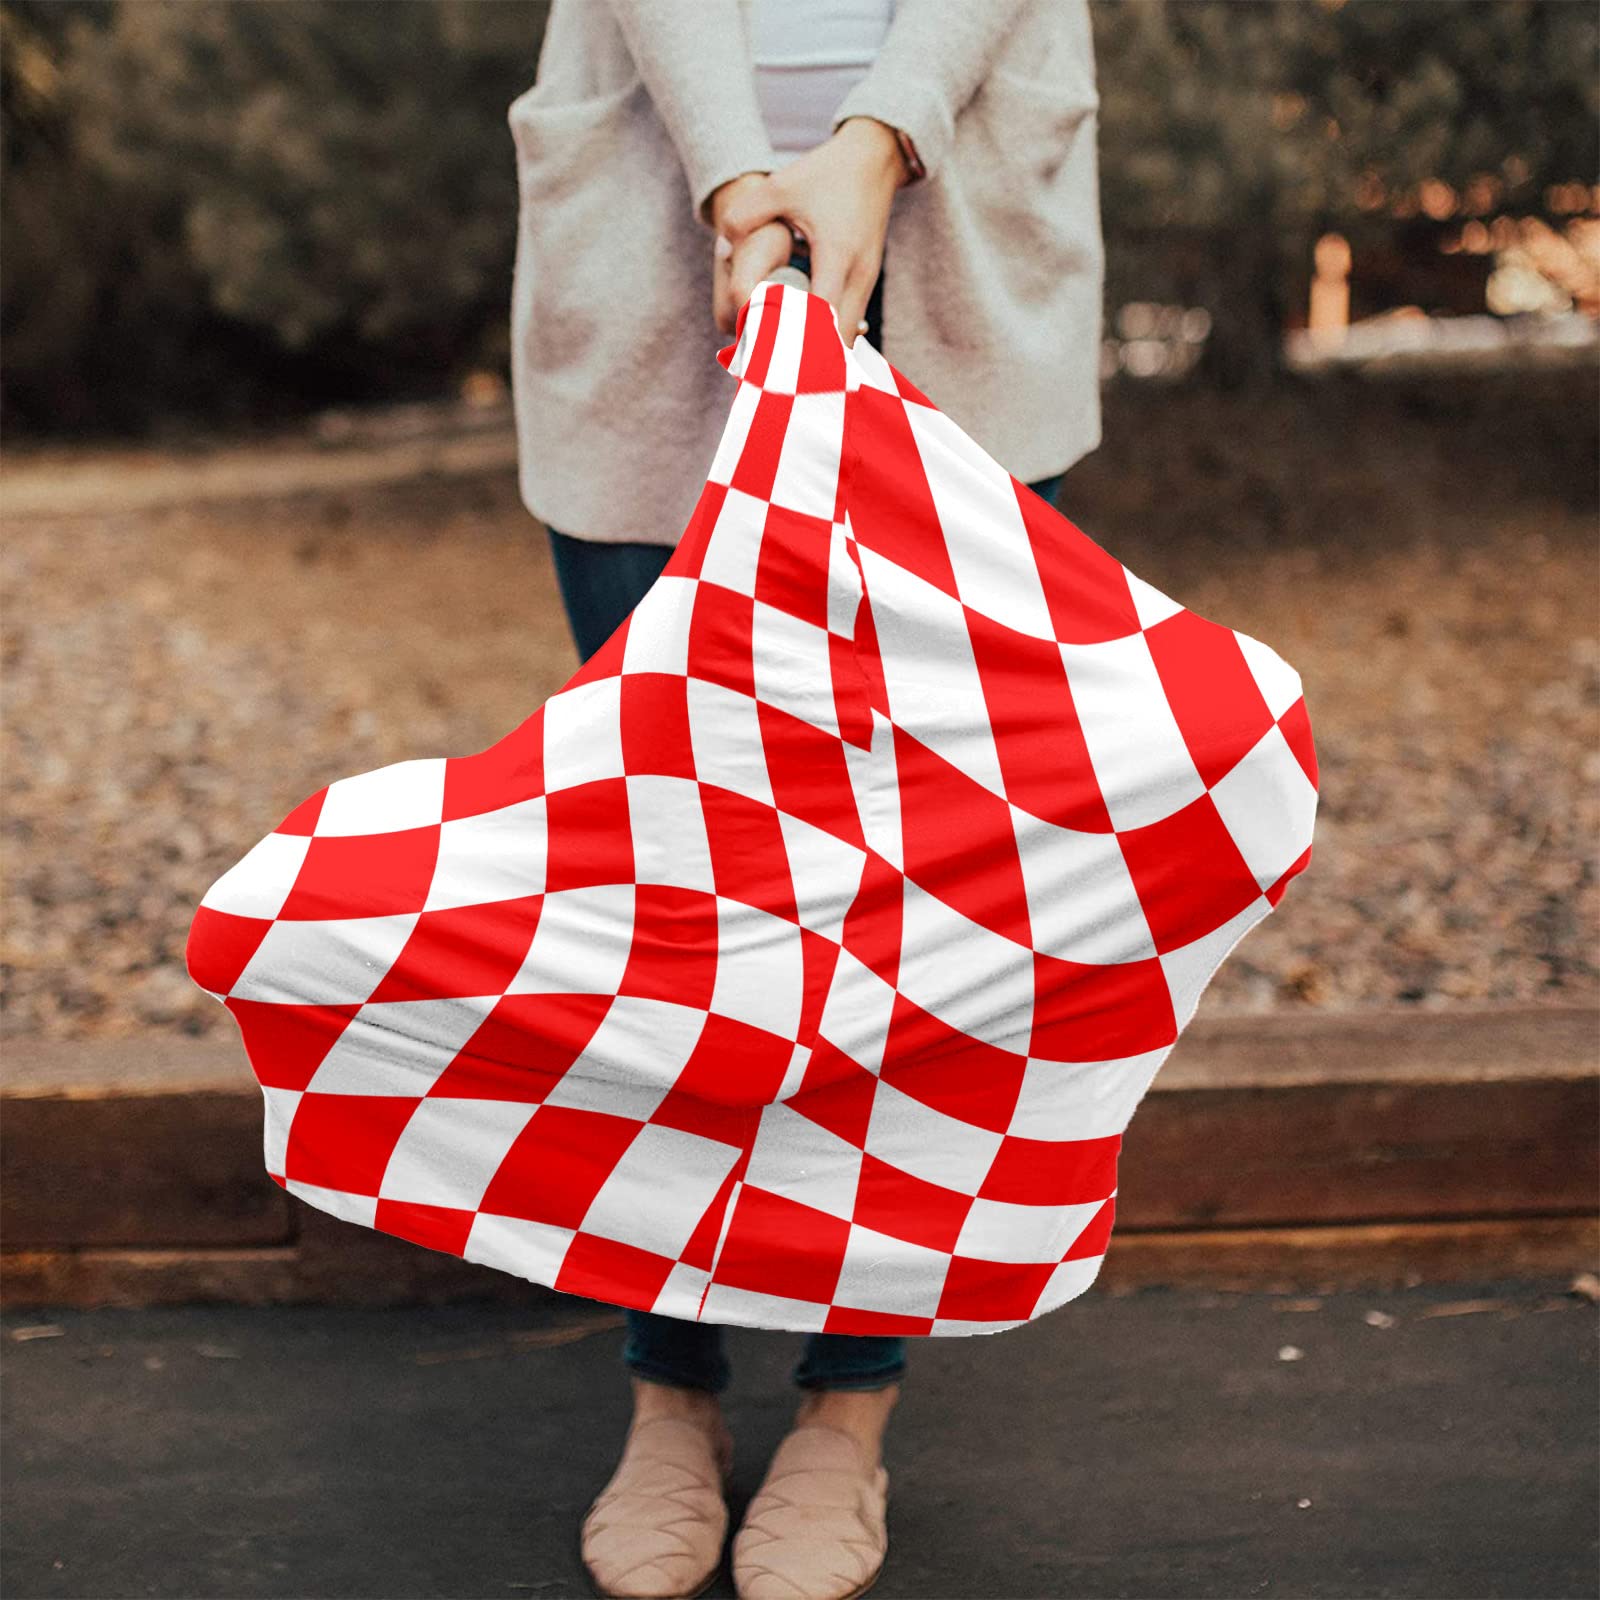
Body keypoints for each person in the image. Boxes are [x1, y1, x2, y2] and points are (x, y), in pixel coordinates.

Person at [505, 3, 1103, 1596]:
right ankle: (670, 1388)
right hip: (658, 222)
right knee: (674, 878)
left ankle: (850, 1406)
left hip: (957, 220)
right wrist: (733, 179)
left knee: (916, 894)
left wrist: (875, 139)